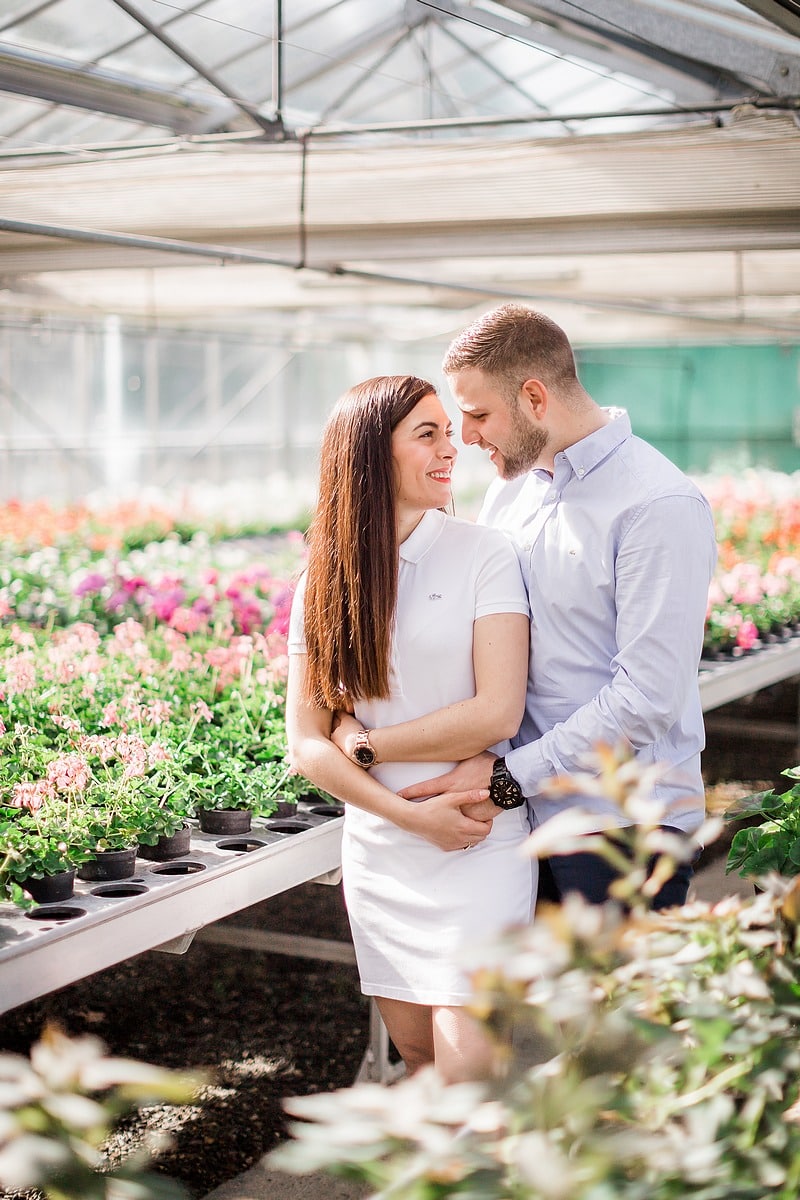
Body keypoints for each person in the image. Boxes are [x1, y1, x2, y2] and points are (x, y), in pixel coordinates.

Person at [400, 304, 718, 909]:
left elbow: (647, 700)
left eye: (478, 414)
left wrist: (506, 780)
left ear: (535, 398)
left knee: (615, 1003)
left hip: (621, 826)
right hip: (522, 814)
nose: (465, 437)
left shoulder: (657, 504)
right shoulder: (509, 492)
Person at [286, 375, 536, 1083]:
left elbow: (497, 712)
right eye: (427, 434)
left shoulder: (485, 554)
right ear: (369, 454)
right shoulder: (323, 580)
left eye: (449, 432)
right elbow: (304, 742)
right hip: (383, 846)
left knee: (469, 1069)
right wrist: (404, 816)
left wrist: (369, 746)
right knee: (421, 1058)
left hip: (477, 839)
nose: (450, 448)